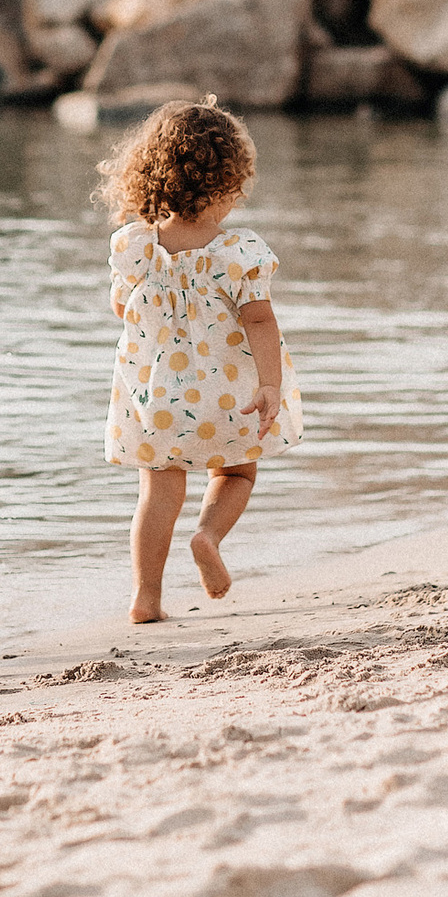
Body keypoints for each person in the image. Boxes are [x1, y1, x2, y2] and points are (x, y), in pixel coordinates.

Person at [95, 100, 302, 624]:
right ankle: (208, 536)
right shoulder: (240, 252)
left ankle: (146, 597)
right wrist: (270, 387)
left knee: (158, 489)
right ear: (230, 184)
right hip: (226, 390)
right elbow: (260, 322)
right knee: (237, 472)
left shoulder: (135, 245)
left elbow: (122, 308)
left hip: (159, 393)